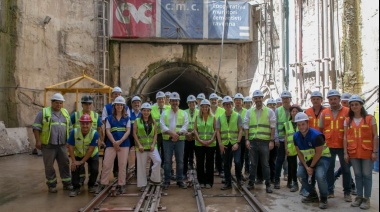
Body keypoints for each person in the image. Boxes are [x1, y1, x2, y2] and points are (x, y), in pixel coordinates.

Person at [32, 93, 73, 193]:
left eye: (60, 103)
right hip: (48, 145)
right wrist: (38, 140)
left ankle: (67, 183)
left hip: (62, 145)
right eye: (56, 103)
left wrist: (70, 142)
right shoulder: (43, 112)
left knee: (65, 164)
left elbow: (70, 128)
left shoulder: (65, 113)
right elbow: (36, 127)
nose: (58, 105)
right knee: (49, 166)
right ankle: (52, 185)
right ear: (52, 102)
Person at [344, 95, 378, 209]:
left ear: (361, 105)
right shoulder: (347, 120)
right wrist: (345, 152)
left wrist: (375, 151)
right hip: (353, 152)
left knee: (367, 175)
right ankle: (359, 197)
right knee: (358, 175)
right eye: (352, 105)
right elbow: (345, 137)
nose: (354, 106)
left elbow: (375, 136)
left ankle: (366, 198)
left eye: (356, 104)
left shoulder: (369, 118)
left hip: (367, 152)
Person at [294, 112, 331, 209]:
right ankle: (313, 194)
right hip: (308, 160)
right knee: (300, 175)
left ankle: (324, 198)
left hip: (323, 158)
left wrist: (311, 167)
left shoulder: (316, 135)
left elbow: (318, 153)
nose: (301, 127)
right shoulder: (296, 136)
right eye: (299, 125)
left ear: (307, 123)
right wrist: (306, 167)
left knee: (320, 176)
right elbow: (299, 153)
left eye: (303, 124)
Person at [320, 89, 352, 201]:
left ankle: (347, 192)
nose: (333, 101)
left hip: (343, 145)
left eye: (335, 99)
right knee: (329, 169)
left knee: (346, 169)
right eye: (331, 99)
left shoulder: (347, 111)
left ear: (339, 99)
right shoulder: (324, 113)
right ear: (328, 100)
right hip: (329, 145)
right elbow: (321, 129)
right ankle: (330, 190)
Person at [97, 96, 131, 194]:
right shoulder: (109, 118)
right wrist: (114, 142)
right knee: (107, 164)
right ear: (114, 106)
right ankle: (103, 183)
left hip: (123, 144)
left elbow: (128, 131)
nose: (119, 106)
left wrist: (119, 141)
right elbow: (107, 131)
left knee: (122, 165)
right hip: (111, 144)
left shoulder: (127, 118)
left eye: (121, 105)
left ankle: (121, 184)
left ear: (123, 106)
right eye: (117, 105)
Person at [244, 90, 275, 193]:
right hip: (253, 141)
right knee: (253, 164)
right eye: (256, 98)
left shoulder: (269, 111)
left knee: (265, 164)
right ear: (254, 100)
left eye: (259, 98)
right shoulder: (249, 112)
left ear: (262, 99)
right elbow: (246, 127)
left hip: (265, 142)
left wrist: (271, 141)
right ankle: (251, 182)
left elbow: (273, 127)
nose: (258, 100)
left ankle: (268, 184)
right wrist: (247, 139)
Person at [71, 95, 103, 187]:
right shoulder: (76, 115)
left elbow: (99, 128)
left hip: (91, 145)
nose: (88, 106)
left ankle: (91, 184)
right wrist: (69, 139)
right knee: (78, 167)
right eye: (86, 104)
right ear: (82, 105)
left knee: (93, 168)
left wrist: (101, 140)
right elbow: (69, 126)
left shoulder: (96, 116)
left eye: (89, 104)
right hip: (79, 146)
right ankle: (79, 182)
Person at [160, 92, 189, 190]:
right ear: (170, 101)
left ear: (179, 102)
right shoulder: (165, 113)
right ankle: (167, 180)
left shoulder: (183, 113)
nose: (174, 102)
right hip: (167, 140)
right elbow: (162, 126)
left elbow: (185, 126)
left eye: (176, 101)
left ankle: (179, 180)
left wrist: (178, 134)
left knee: (180, 161)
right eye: (172, 101)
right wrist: (172, 134)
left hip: (180, 140)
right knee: (167, 161)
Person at [67, 114, 99, 197]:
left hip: (92, 154)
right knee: (74, 168)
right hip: (78, 153)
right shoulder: (74, 132)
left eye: (87, 123)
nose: (85, 126)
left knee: (95, 169)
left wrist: (81, 162)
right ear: (80, 124)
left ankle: (91, 185)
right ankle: (76, 188)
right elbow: (70, 147)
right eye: (83, 123)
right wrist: (74, 161)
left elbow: (91, 150)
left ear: (91, 124)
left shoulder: (95, 134)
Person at [101, 87, 130, 177]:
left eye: (119, 94)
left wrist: (119, 140)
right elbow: (104, 119)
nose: (117, 95)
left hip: (123, 139)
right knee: (107, 159)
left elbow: (126, 120)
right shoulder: (107, 107)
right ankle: (104, 178)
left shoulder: (126, 108)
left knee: (122, 161)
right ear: (112, 95)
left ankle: (119, 175)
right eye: (115, 94)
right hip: (110, 136)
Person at [216, 96, 243, 190]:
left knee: (237, 161)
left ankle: (239, 180)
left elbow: (240, 130)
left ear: (232, 105)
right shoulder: (220, 117)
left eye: (229, 104)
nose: (228, 106)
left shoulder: (237, 116)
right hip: (225, 144)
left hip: (235, 143)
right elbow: (218, 131)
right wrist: (220, 144)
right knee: (226, 164)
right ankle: (228, 183)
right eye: (226, 104)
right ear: (223, 106)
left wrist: (238, 143)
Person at [133, 102, 161, 191]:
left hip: (152, 147)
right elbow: (134, 133)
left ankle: (154, 179)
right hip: (141, 148)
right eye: (144, 111)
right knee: (141, 166)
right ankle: (142, 184)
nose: (146, 112)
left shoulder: (153, 121)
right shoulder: (137, 121)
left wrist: (153, 144)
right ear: (142, 111)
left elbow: (156, 133)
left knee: (158, 161)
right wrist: (139, 145)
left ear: (150, 111)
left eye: (148, 111)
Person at [193, 99, 217, 188]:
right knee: (200, 162)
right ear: (201, 108)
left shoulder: (213, 117)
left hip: (211, 144)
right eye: (203, 107)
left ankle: (209, 182)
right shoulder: (197, 117)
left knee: (209, 163)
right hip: (199, 144)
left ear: (209, 107)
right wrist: (199, 140)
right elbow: (195, 129)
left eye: (206, 107)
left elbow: (216, 130)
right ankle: (201, 181)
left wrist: (211, 140)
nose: (204, 108)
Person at [274, 91, 292, 189]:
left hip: (291, 141)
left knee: (291, 161)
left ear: (290, 99)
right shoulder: (278, 110)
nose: (285, 100)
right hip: (281, 139)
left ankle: (290, 181)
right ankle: (277, 180)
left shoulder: (294, 110)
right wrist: (276, 138)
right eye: (283, 99)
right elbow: (275, 125)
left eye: (287, 98)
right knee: (279, 160)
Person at [284, 104, 303, 192]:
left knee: (302, 165)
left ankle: (302, 183)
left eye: (296, 111)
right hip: (291, 148)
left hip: (301, 147)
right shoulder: (287, 124)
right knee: (292, 166)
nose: (294, 113)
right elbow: (285, 137)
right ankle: (292, 182)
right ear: (290, 113)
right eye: (293, 111)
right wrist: (286, 148)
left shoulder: (302, 123)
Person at [151, 91, 171, 169]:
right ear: (156, 100)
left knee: (166, 153)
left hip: (166, 134)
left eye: (162, 99)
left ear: (165, 99)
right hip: (156, 135)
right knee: (154, 153)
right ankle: (152, 171)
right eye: (159, 99)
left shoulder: (169, 108)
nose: (161, 100)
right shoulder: (152, 108)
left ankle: (166, 169)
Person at [233, 93, 249, 180]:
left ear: (242, 102)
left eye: (239, 101)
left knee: (242, 156)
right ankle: (237, 173)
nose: (238, 102)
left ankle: (239, 174)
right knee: (236, 158)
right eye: (236, 100)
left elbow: (247, 124)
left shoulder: (246, 112)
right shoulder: (231, 111)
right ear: (234, 102)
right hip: (233, 137)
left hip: (243, 137)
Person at [210, 93, 225, 177]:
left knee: (220, 154)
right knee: (210, 154)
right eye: (212, 100)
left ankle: (221, 170)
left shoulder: (222, 110)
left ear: (217, 100)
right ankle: (211, 169)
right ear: (210, 101)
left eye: (215, 100)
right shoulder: (207, 110)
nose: (213, 101)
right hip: (210, 136)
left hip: (219, 135)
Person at [184, 95, 199, 178]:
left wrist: (193, 133)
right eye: (190, 102)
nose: (191, 104)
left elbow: (200, 125)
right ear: (187, 104)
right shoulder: (184, 112)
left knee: (198, 155)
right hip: (186, 137)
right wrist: (186, 133)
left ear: (195, 103)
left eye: (193, 102)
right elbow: (182, 124)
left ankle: (198, 172)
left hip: (196, 137)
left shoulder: (199, 112)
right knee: (185, 155)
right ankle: (184, 173)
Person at [129, 96, 142, 174]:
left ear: (140, 104)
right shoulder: (128, 113)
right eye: (135, 103)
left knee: (139, 155)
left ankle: (138, 171)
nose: (136, 104)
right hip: (129, 137)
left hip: (139, 138)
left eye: (138, 103)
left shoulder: (143, 114)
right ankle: (124, 170)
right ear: (132, 104)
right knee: (125, 154)